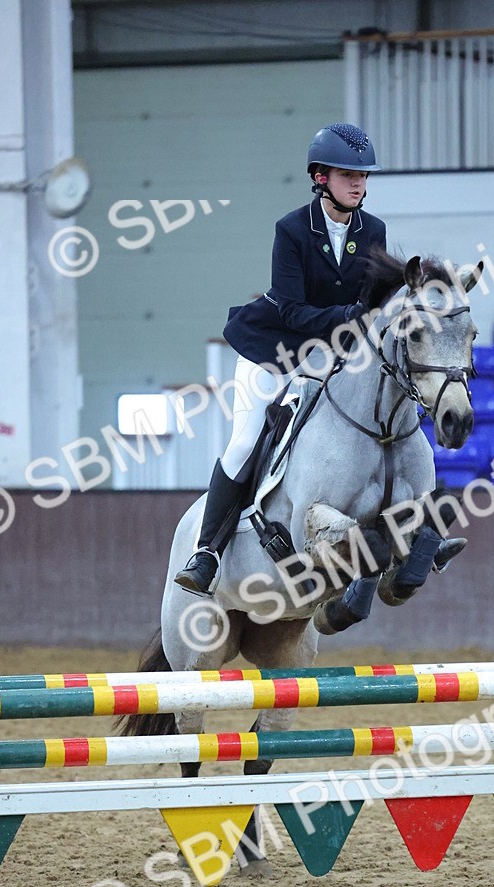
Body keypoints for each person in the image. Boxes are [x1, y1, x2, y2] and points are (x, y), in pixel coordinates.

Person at [175, 122, 387, 595]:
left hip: (332, 354)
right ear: (320, 177)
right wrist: (352, 314)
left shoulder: (373, 230)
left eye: (364, 175)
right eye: (348, 173)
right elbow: (292, 310)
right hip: (275, 349)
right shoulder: (292, 229)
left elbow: (374, 305)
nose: (359, 183)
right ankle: (206, 552)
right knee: (247, 440)